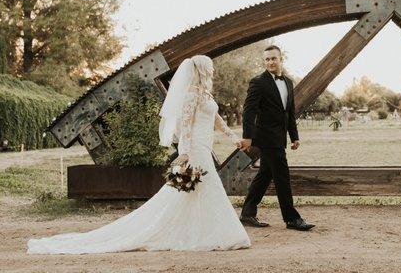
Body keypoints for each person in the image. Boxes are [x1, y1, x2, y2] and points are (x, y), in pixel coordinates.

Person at [27, 55, 251, 254]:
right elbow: (185, 124)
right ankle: (215, 234)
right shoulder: (192, 94)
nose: (212, 71)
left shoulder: (206, 94)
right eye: (209, 67)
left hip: (204, 146)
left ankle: (205, 232)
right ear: (202, 69)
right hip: (195, 149)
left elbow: (218, 120)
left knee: (195, 191)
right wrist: (184, 153)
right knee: (199, 189)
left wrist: (234, 139)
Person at [238, 45, 315, 231]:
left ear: (281, 59)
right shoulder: (258, 82)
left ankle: (247, 213)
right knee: (282, 176)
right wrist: (247, 136)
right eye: (267, 59)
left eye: (273, 58)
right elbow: (249, 111)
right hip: (266, 138)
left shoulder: (288, 82)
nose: (270, 62)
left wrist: (294, 136)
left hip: (279, 137)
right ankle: (291, 219)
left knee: (265, 175)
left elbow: (289, 112)